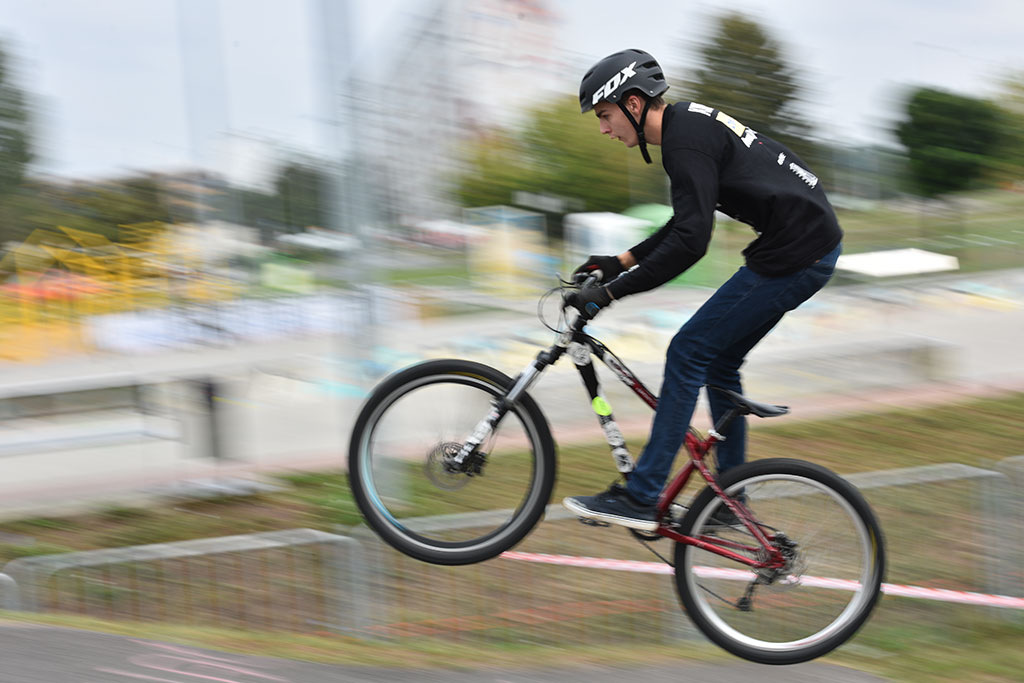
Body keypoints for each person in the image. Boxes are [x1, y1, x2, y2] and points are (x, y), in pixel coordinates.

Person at [562, 49, 843, 532]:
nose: (604, 129)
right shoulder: (688, 128)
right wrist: (619, 262)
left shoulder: (684, 143)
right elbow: (685, 222)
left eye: (605, 116)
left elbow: (692, 243)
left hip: (797, 253)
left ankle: (643, 494)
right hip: (805, 248)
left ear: (633, 103)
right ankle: (732, 503)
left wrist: (609, 294)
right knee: (718, 362)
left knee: (687, 352)